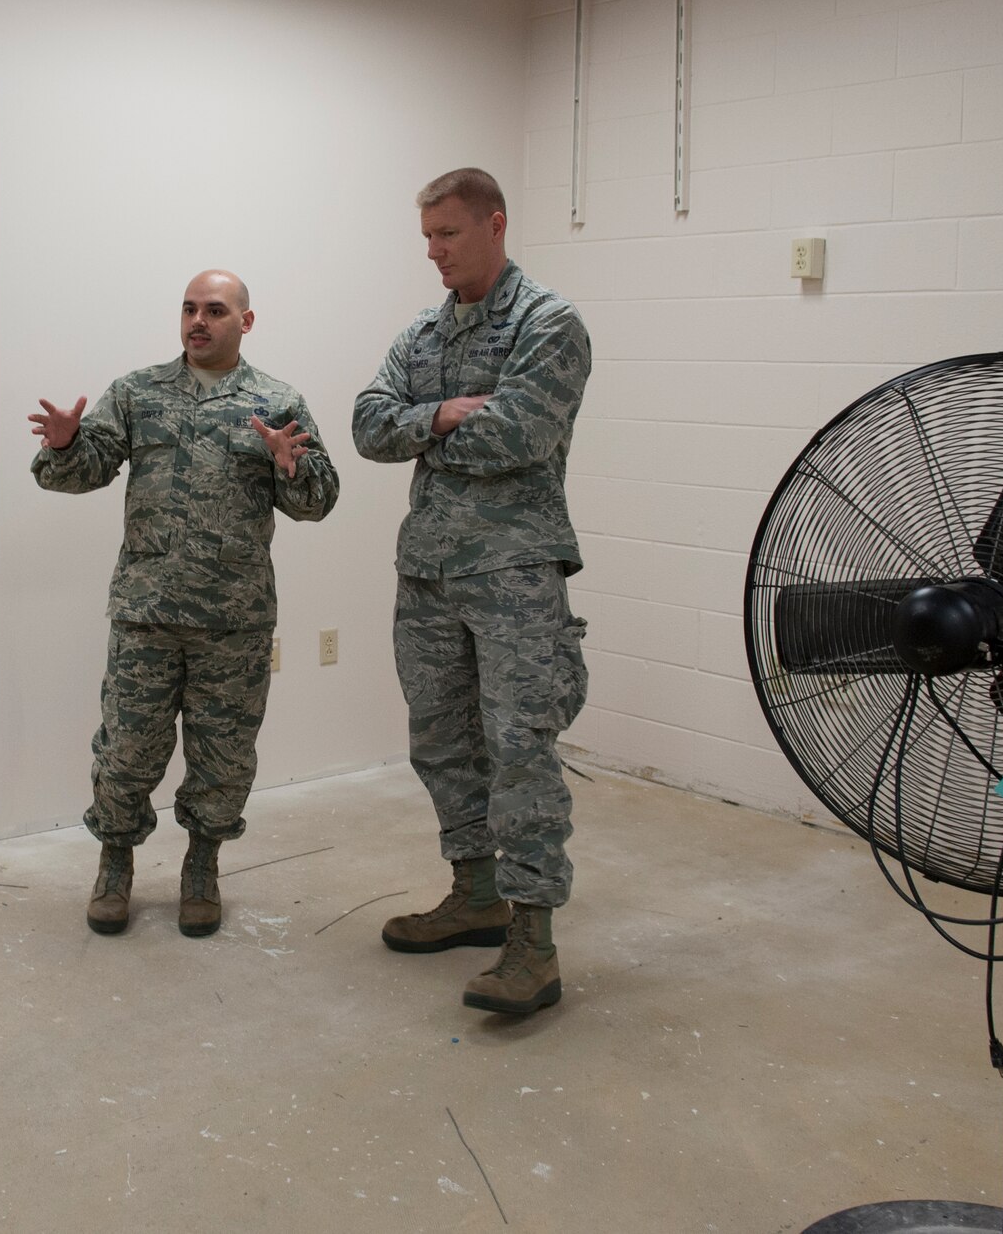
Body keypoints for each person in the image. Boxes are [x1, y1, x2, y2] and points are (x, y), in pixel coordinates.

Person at [30, 270, 339, 938]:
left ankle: (203, 866)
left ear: (245, 322)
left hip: (234, 619)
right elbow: (83, 470)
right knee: (125, 751)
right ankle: (115, 865)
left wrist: (293, 465)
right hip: (148, 612)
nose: (199, 321)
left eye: (216, 310)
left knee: (223, 756)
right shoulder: (138, 393)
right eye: (190, 309)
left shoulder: (276, 400)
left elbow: (317, 501)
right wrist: (64, 444)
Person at [351, 168, 591, 1016]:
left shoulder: (548, 323)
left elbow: (521, 435)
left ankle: (535, 941)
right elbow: (368, 423)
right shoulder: (424, 330)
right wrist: (444, 415)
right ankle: (476, 893)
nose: (434, 251)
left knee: (520, 750)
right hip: (428, 573)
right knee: (442, 742)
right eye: (426, 237)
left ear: (494, 223)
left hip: (514, 575)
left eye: (447, 234)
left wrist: (428, 428)